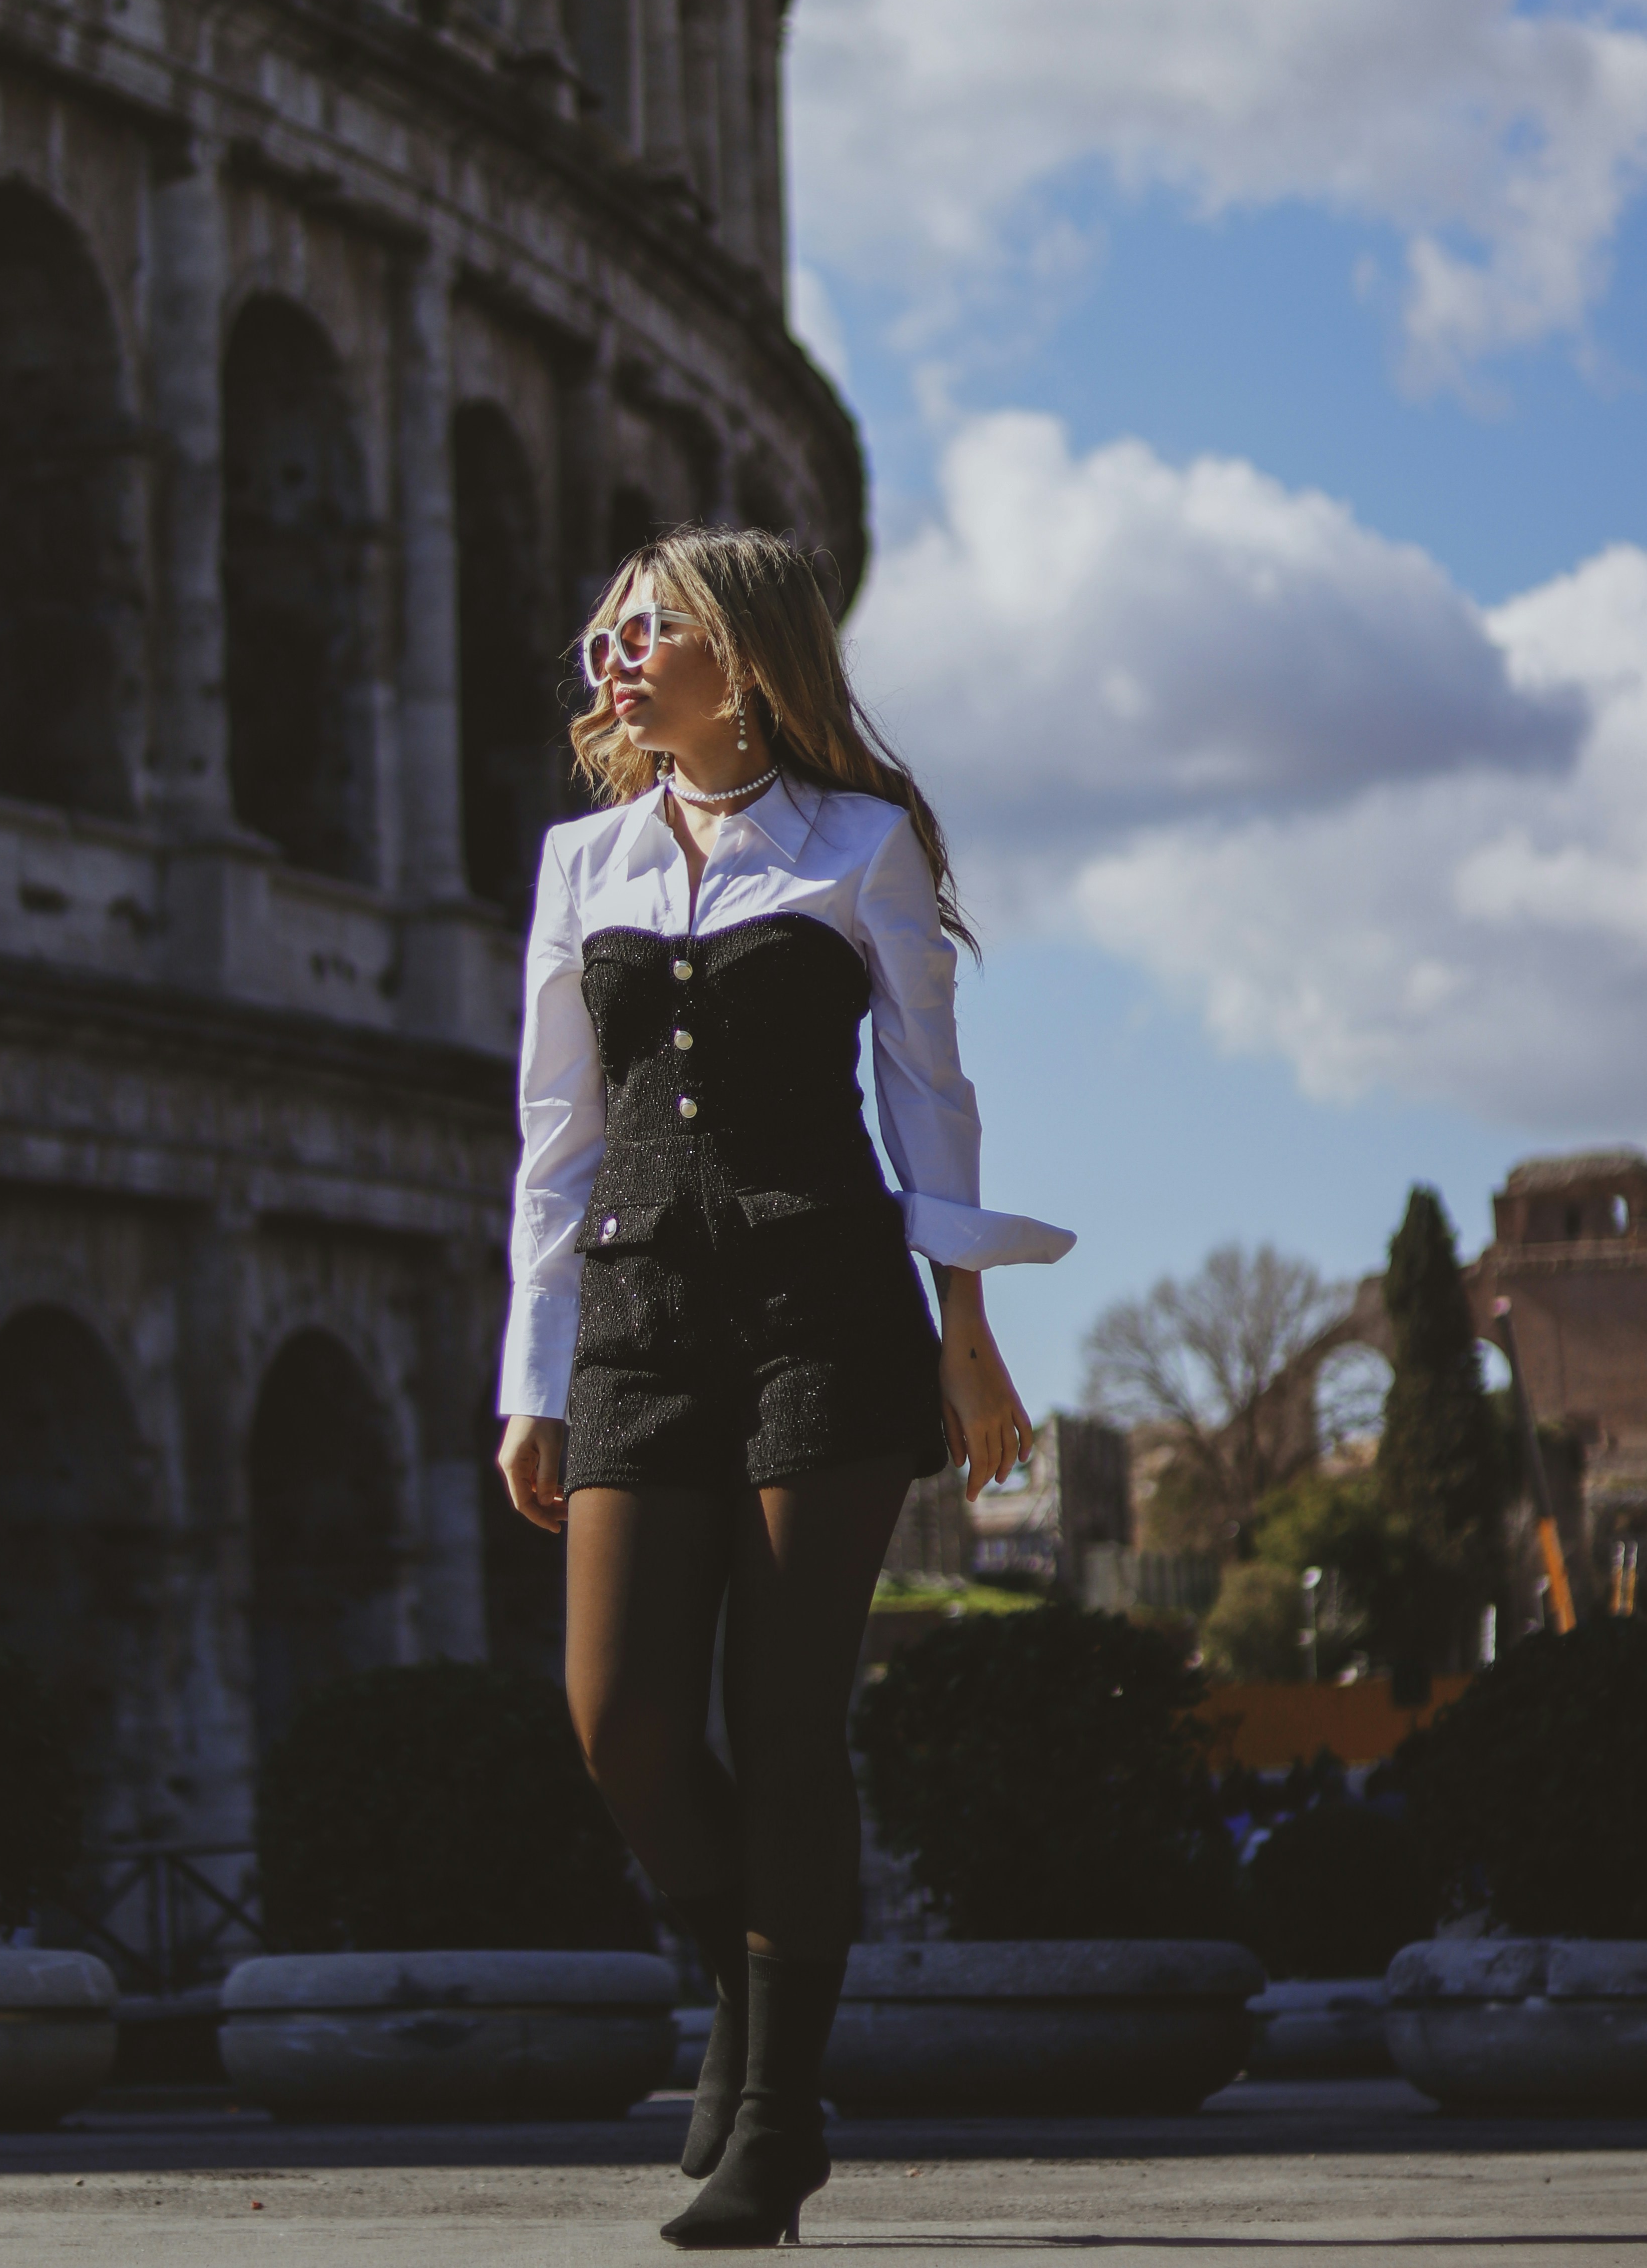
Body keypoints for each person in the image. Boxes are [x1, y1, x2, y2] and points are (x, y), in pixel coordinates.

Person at [497, 526, 1072, 2249]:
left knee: (788, 1716)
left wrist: (965, 1330)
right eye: (605, 633)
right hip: (638, 1321)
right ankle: (745, 2008)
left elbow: (931, 1103)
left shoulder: (861, 847)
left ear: (741, 659)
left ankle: (780, 2116)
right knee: (621, 1720)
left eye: (646, 631)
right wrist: (530, 1378)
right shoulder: (578, 861)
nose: (611, 659)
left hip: (825, 1308)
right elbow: (554, 1143)